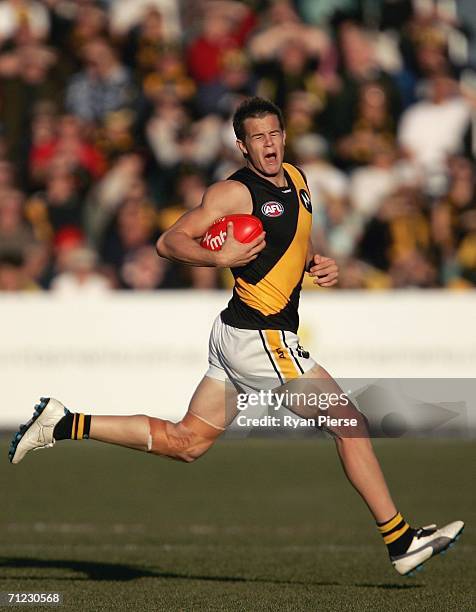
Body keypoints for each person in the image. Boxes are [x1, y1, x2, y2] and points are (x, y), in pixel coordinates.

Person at [9, 97, 463, 576]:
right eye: (257, 137)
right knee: (349, 422)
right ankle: (400, 540)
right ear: (241, 145)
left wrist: (314, 264)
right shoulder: (232, 193)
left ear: (283, 136)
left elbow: (294, 237)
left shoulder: (300, 180)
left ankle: (62, 423)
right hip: (259, 336)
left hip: (236, 334)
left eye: (274, 133)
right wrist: (219, 258)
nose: (268, 144)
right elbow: (169, 242)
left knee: (186, 442)